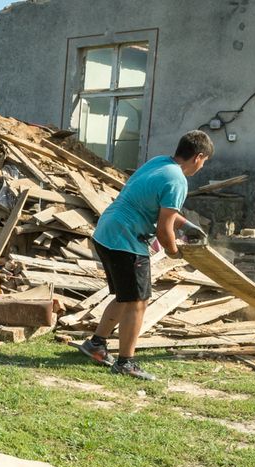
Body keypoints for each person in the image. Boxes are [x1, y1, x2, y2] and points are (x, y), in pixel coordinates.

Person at [74, 130, 213, 381]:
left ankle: (96, 345)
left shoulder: (159, 163)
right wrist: (175, 251)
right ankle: (126, 362)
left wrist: (187, 226)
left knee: (125, 297)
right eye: (204, 162)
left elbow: (154, 206)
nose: (201, 168)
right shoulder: (178, 180)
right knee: (138, 302)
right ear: (198, 157)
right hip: (126, 241)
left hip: (107, 232)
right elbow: (163, 229)